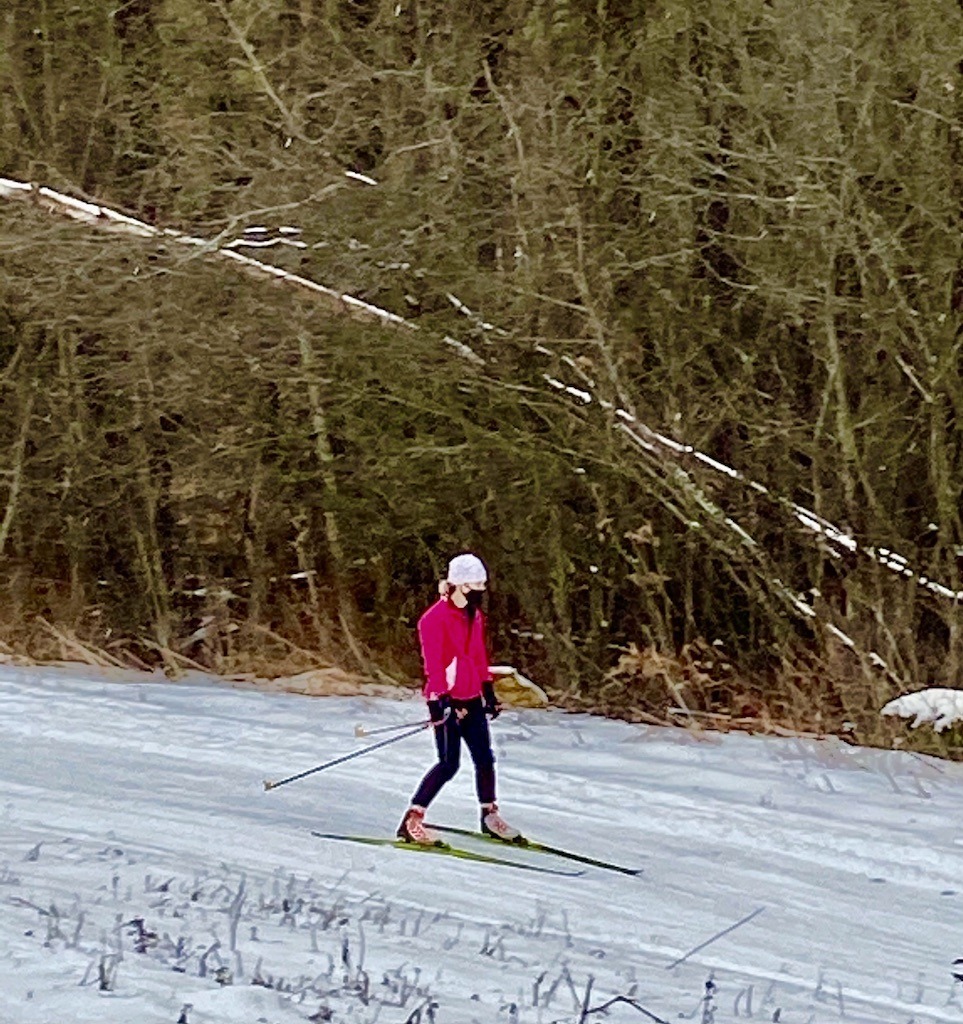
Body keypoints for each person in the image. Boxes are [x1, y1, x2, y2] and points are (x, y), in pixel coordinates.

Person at [396, 552, 522, 846]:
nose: (480, 592)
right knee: (449, 763)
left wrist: (487, 690)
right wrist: (444, 702)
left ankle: (489, 816)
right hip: (445, 698)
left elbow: (478, 655)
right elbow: (434, 664)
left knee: (484, 758)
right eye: (475, 586)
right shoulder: (433, 620)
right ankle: (411, 820)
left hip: (471, 696)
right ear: (459, 585)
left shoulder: (474, 616)